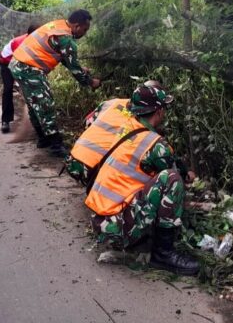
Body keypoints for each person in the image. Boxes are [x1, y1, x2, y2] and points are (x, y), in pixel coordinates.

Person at [77, 81, 199, 275]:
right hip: (116, 228)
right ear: (158, 112)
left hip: (100, 220)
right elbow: (172, 173)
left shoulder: (124, 129)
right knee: (172, 179)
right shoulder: (155, 145)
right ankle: (163, 254)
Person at [9, 10, 101, 157]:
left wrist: (78, 67)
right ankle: (56, 145)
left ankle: (43, 138)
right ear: (77, 26)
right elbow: (75, 70)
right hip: (28, 67)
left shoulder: (58, 25)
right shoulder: (67, 39)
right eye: (85, 29)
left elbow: (64, 57)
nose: (84, 33)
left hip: (18, 64)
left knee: (34, 103)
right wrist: (91, 82)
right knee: (45, 103)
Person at [0, 24, 39, 133]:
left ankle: (35, 122)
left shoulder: (37, 40)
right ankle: (5, 121)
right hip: (6, 63)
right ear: (30, 35)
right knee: (8, 90)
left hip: (19, 62)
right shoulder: (20, 43)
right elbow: (20, 63)